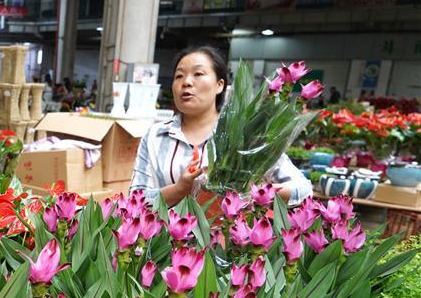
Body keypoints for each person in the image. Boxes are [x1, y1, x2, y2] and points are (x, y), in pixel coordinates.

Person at [130, 45, 311, 207]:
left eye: (198, 74)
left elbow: (303, 190)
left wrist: (261, 193)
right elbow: (135, 199)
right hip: (168, 240)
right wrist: (179, 190)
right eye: (179, 76)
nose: (186, 82)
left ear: (219, 85)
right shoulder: (156, 135)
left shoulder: (247, 137)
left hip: (229, 240)